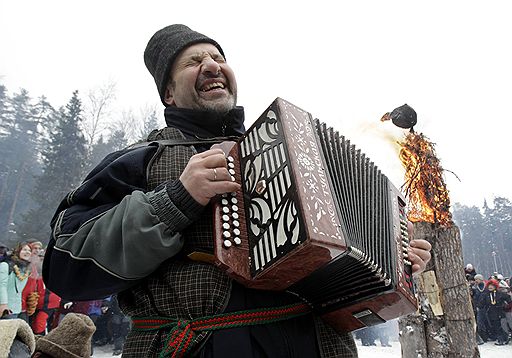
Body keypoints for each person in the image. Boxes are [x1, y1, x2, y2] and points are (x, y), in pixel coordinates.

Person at [43, 24, 432, 357]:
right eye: (193, 62)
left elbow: (342, 278)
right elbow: (65, 267)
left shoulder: (298, 157)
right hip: (197, 348)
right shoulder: (140, 159)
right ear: (169, 94)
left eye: (217, 57)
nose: (211, 65)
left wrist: (394, 259)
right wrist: (174, 201)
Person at [0, 242, 32, 320]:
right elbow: (2, 286)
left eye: (29, 250)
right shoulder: (6, 265)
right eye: (24, 249)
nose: (27, 252)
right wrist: (3, 304)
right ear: (18, 251)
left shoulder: (26, 269)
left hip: (16, 309)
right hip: (5, 308)